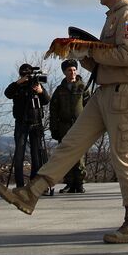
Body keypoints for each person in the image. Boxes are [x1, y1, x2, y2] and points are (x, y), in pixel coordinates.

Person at [0, 0, 128, 244]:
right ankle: (32, 192)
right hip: (104, 91)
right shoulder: (113, 16)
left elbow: (126, 56)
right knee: (71, 143)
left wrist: (90, 50)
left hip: (122, 92)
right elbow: (106, 59)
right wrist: (82, 55)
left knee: (123, 155)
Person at [6, 64, 51, 189]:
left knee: (37, 155)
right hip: (21, 123)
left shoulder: (36, 85)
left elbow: (47, 100)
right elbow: (7, 93)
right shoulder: (17, 86)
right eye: (25, 75)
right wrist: (18, 82)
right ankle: (20, 185)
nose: (28, 77)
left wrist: (41, 92)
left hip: (36, 123)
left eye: (29, 75)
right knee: (19, 154)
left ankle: (34, 183)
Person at [49, 59, 90, 193]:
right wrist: (54, 128)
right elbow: (53, 110)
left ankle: (79, 183)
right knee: (66, 155)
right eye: (69, 70)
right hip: (64, 126)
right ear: (64, 72)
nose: (72, 72)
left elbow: (90, 107)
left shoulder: (83, 87)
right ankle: (69, 183)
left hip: (80, 125)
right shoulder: (60, 89)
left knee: (79, 155)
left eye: (74, 70)